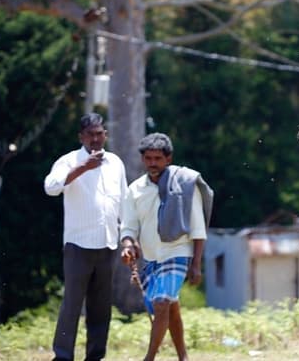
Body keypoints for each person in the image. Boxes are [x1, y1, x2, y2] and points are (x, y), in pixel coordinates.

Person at [120, 133, 213, 361]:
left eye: (158, 159)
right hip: (151, 259)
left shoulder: (185, 184)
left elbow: (198, 228)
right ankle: (183, 357)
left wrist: (196, 265)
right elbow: (128, 228)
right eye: (149, 158)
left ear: (168, 159)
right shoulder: (135, 190)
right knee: (169, 307)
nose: (153, 163)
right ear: (143, 159)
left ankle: (149, 358)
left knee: (162, 303)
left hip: (178, 252)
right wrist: (128, 246)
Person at [44, 112, 128, 361]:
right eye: (90, 134)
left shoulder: (116, 163)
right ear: (81, 136)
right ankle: (62, 356)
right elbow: (50, 188)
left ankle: (95, 356)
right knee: (72, 304)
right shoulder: (69, 160)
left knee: (101, 308)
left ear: (106, 135)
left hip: (107, 244)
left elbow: (123, 203)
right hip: (78, 245)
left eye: (99, 134)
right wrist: (81, 168)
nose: (95, 139)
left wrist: (128, 238)